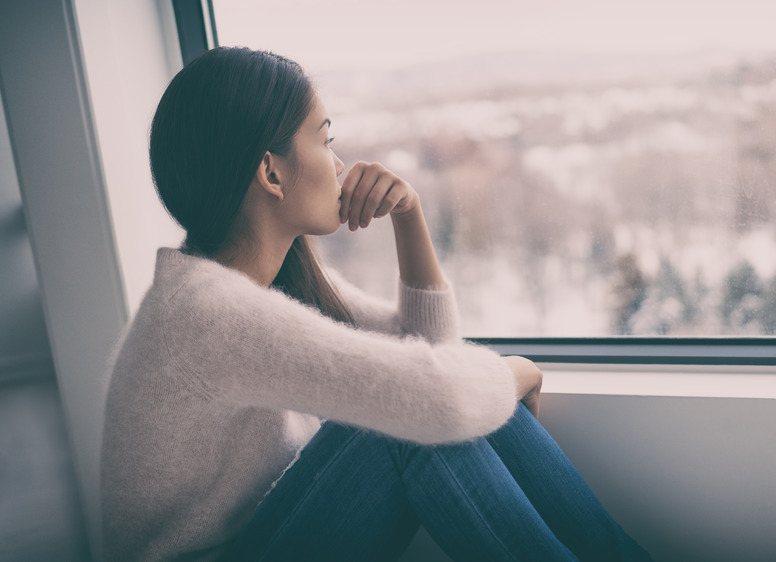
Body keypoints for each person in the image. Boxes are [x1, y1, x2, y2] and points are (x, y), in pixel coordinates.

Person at [100, 46, 650, 562]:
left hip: (274, 531)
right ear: (271, 173)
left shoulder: (265, 281)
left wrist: (409, 216)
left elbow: (430, 353)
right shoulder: (206, 312)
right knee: (410, 417)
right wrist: (517, 372)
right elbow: (438, 399)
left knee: (432, 400)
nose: (339, 165)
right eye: (325, 141)